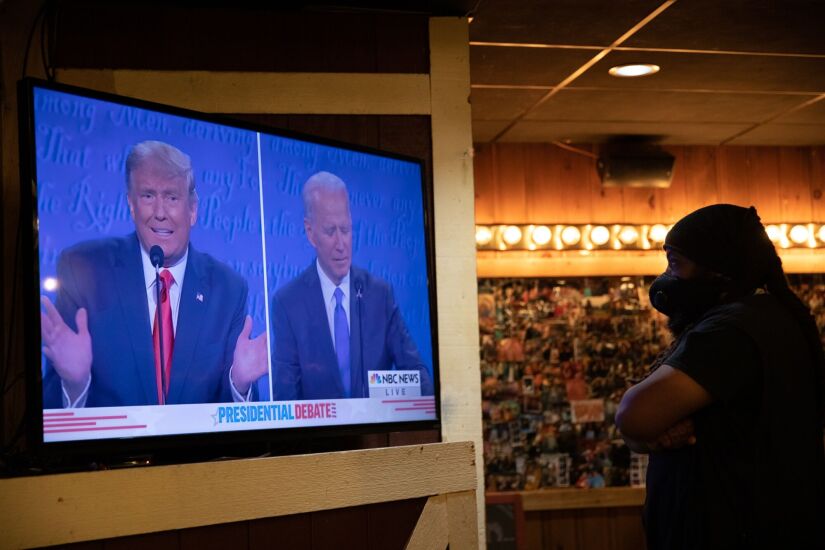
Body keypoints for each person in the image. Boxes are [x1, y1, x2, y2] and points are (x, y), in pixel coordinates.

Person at [616, 204, 825, 549]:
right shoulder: (767, 317)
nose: (668, 276)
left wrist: (644, 431)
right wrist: (650, 438)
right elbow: (638, 428)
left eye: (676, 263)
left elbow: (633, 415)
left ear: (717, 268)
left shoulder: (731, 332)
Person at [40, 141, 268, 408]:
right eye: (148, 196)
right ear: (131, 204)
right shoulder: (84, 269)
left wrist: (238, 383)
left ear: (192, 209)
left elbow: (233, 425)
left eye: (172, 198)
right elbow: (50, 416)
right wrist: (74, 383)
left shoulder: (227, 289)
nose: (160, 213)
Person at [271, 171, 434, 400]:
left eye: (346, 230)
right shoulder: (288, 303)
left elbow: (417, 374)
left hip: (375, 434)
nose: (341, 245)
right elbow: (286, 399)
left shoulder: (380, 295)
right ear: (310, 232)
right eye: (330, 231)